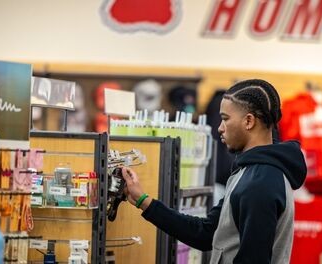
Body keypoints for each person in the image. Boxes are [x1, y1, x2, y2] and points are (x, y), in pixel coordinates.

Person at [122, 79, 307, 264]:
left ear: (249, 121)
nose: (219, 128)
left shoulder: (261, 182)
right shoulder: (248, 173)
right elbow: (205, 233)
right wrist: (143, 201)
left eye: (225, 119)